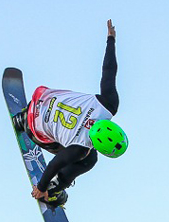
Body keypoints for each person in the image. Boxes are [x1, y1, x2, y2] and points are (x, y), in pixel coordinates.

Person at [11, 20, 127, 207]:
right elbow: (54, 164)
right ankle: (54, 191)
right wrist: (41, 187)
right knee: (89, 160)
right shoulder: (80, 149)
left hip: (38, 101)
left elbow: (109, 71)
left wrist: (111, 40)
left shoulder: (108, 104)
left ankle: (23, 117)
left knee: (67, 111)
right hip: (35, 131)